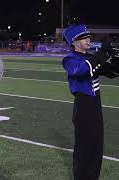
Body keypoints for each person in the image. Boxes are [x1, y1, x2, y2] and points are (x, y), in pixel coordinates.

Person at [62, 24, 119, 180]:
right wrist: (102, 53)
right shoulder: (70, 59)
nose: (88, 39)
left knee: (96, 148)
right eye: (83, 37)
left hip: (95, 107)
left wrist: (114, 56)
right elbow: (81, 71)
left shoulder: (90, 58)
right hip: (84, 108)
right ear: (73, 42)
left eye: (88, 36)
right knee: (84, 150)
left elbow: (112, 72)